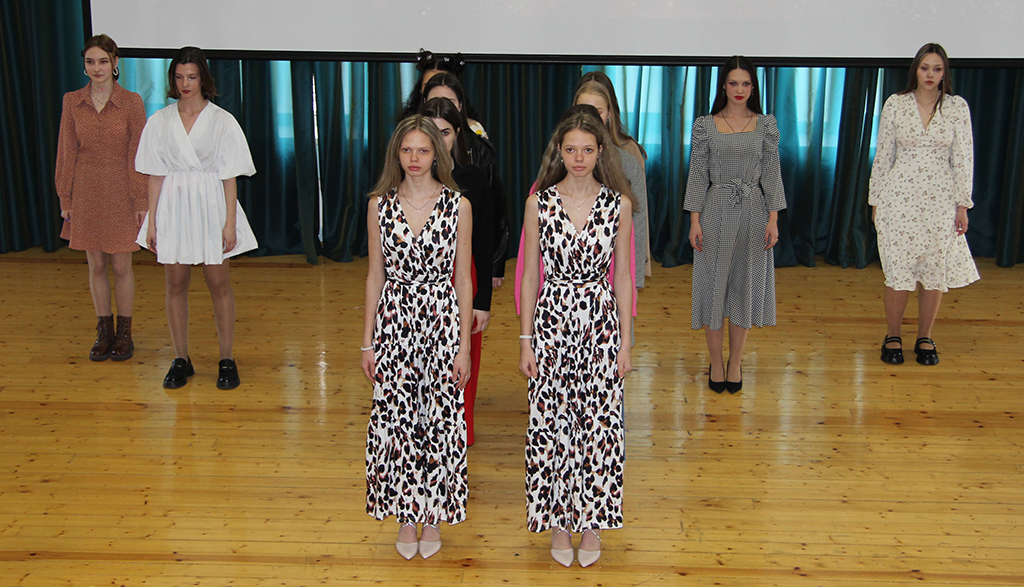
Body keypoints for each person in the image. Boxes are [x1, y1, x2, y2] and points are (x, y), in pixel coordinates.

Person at [519, 107, 634, 568]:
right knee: (552, 423)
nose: (579, 158)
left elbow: (623, 278)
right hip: (551, 322)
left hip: (600, 324)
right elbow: (530, 276)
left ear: (601, 151)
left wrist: (625, 343)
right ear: (560, 152)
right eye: (571, 149)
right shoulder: (539, 203)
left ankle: (591, 522)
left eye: (587, 149)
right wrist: (525, 339)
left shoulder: (619, 205)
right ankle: (558, 521)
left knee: (599, 425)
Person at [361, 115, 473, 560]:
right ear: (396, 153)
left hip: (441, 321)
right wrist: (367, 341)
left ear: (437, 155)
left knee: (439, 419)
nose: (414, 158)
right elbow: (374, 275)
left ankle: (434, 514)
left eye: (423, 150)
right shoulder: (379, 205)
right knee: (399, 418)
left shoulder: (458, 205)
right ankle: (407, 513)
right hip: (395, 322)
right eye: (406, 150)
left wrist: (464, 346)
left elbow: (462, 279)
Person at [135, 46, 258, 390]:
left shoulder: (222, 121)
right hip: (173, 207)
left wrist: (229, 223)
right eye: (179, 77)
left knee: (218, 284)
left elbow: (229, 177)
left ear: (203, 78)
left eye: (191, 77)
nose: (185, 84)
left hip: (210, 206)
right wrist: (153, 222)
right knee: (175, 284)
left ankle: (226, 359)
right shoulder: (159, 121)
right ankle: (181, 359)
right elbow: (155, 176)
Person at [869, 43, 978, 366]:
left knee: (934, 269)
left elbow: (964, 158)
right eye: (924, 67)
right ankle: (893, 335)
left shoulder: (957, 107)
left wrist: (962, 205)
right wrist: (876, 201)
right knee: (898, 269)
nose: (930, 75)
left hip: (941, 201)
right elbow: (883, 155)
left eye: (937, 69)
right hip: (898, 198)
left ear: (945, 73)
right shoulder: (896, 103)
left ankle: (925, 336)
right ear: (915, 70)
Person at [684, 55, 786, 394]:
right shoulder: (705, 125)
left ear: (753, 87)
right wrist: (694, 220)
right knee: (713, 288)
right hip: (714, 209)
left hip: (754, 211)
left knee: (744, 287)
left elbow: (772, 173)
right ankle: (715, 362)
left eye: (745, 84)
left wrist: (773, 218)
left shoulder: (765, 125)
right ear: (723, 86)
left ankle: (735, 362)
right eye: (733, 83)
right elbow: (698, 175)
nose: (739, 90)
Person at [55, 34, 147, 362]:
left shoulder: (132, 102)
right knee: (95, 264)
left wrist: (141, 200)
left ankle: (124, 332)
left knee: (121, 265)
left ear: (115, 63)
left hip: (122, 189)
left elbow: (139, 155)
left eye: (103, 61)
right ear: (84, 65)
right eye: (90, 62)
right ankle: (103, 330)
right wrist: (65, 197)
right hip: (86, 190)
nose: (97, 68)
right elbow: (66, 151)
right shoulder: (72, 101)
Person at [419, 97, 494, 446]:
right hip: (418, 284)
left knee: (462, 359)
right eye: (430, 131)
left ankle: (460, 433)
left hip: (462, 279)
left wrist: (483, 301)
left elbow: (484, 242)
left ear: (458, 134)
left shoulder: (473, 178)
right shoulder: (408, 176)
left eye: (445, 132)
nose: (438, 139)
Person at [422, 72, 509, 285]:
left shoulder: (477, 157)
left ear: (460, 106)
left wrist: (495, 265)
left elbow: (492, 215)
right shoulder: (409, 163)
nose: (437, 139)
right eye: (435, 101)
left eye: (449, 102)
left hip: (465, 268)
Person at [574, 80, 649, 288]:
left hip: (614, 270)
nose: (590, 118)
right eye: (583, 110)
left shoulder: (627, 163)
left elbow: (638, 223)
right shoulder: (558, 159)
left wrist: (635, 279)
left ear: (609, 114)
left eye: (597, 111)